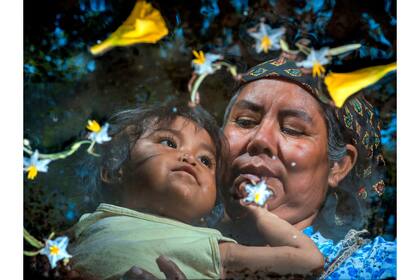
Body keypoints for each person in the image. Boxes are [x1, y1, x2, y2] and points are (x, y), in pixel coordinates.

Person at [124, 55, 396, 279]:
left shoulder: (385, 267)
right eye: (244, 122)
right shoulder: (143, 232)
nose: (260, 140)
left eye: (292, 129)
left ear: (337, 166)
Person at [68, 101, 324, 279]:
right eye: (169, 142)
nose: (189, 159)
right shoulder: (87, 226)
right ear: (113, 170)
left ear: (210, 204)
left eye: (205, 161)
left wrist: (258, 212)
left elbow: (309, 260)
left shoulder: (207, 245)